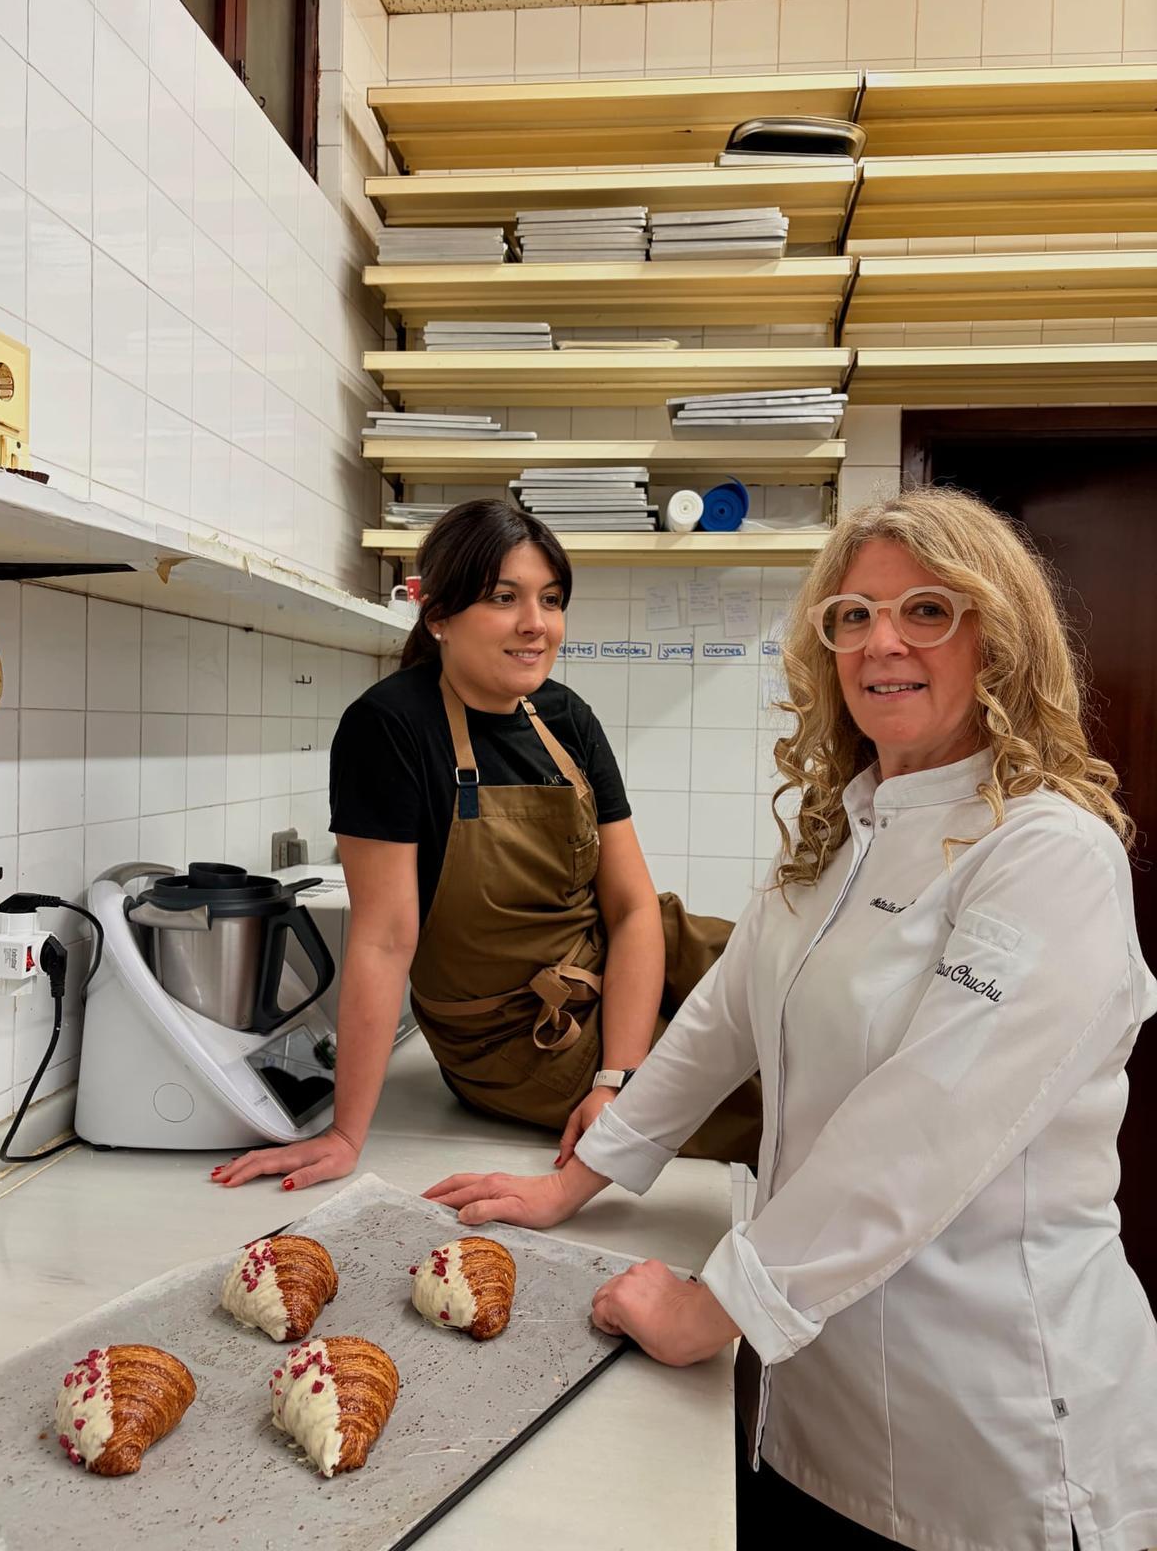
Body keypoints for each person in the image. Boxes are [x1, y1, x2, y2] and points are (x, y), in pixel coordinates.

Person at [423, 487, 1157, 1551]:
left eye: (928, 610)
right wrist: (575, 1181)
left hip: (993, 1431)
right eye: (853, 616)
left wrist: (710, 1307)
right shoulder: (840, 837)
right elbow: (720, 1020)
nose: (881, 642)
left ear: (999, 637)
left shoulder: (1048, 855)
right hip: (813, 1402)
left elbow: (921, 1129)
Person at [214, 499, 762, 1193]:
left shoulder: (566, 717)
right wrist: (346, 1134)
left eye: (551, 600)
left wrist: (616, 1080)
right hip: (519, 1034)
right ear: (438, 616)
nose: (537, 624)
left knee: (807, 996)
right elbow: (384, 941)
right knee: (765, 1104)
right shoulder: (389, 728)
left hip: (619, 957)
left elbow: (631, 910)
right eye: (505, 598)